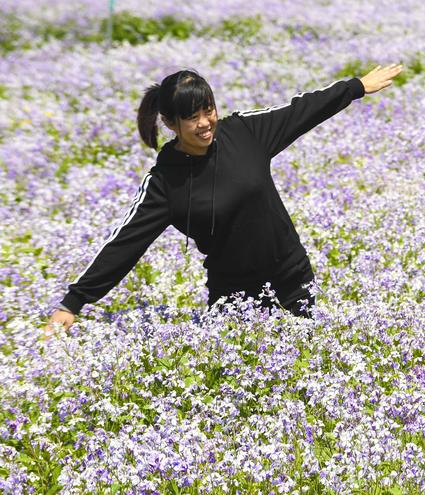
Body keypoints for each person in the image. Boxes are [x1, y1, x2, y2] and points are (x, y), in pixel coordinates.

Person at [45, 64, 402, 336]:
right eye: (191, 118)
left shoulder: (244, 132)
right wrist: (74, 302)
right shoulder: (164, 182)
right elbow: (126, 241)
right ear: (170, 123)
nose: (205, 123)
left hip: (291, 276)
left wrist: (355, 87)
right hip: (234, 295)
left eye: (208, 110)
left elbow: (300, 109)